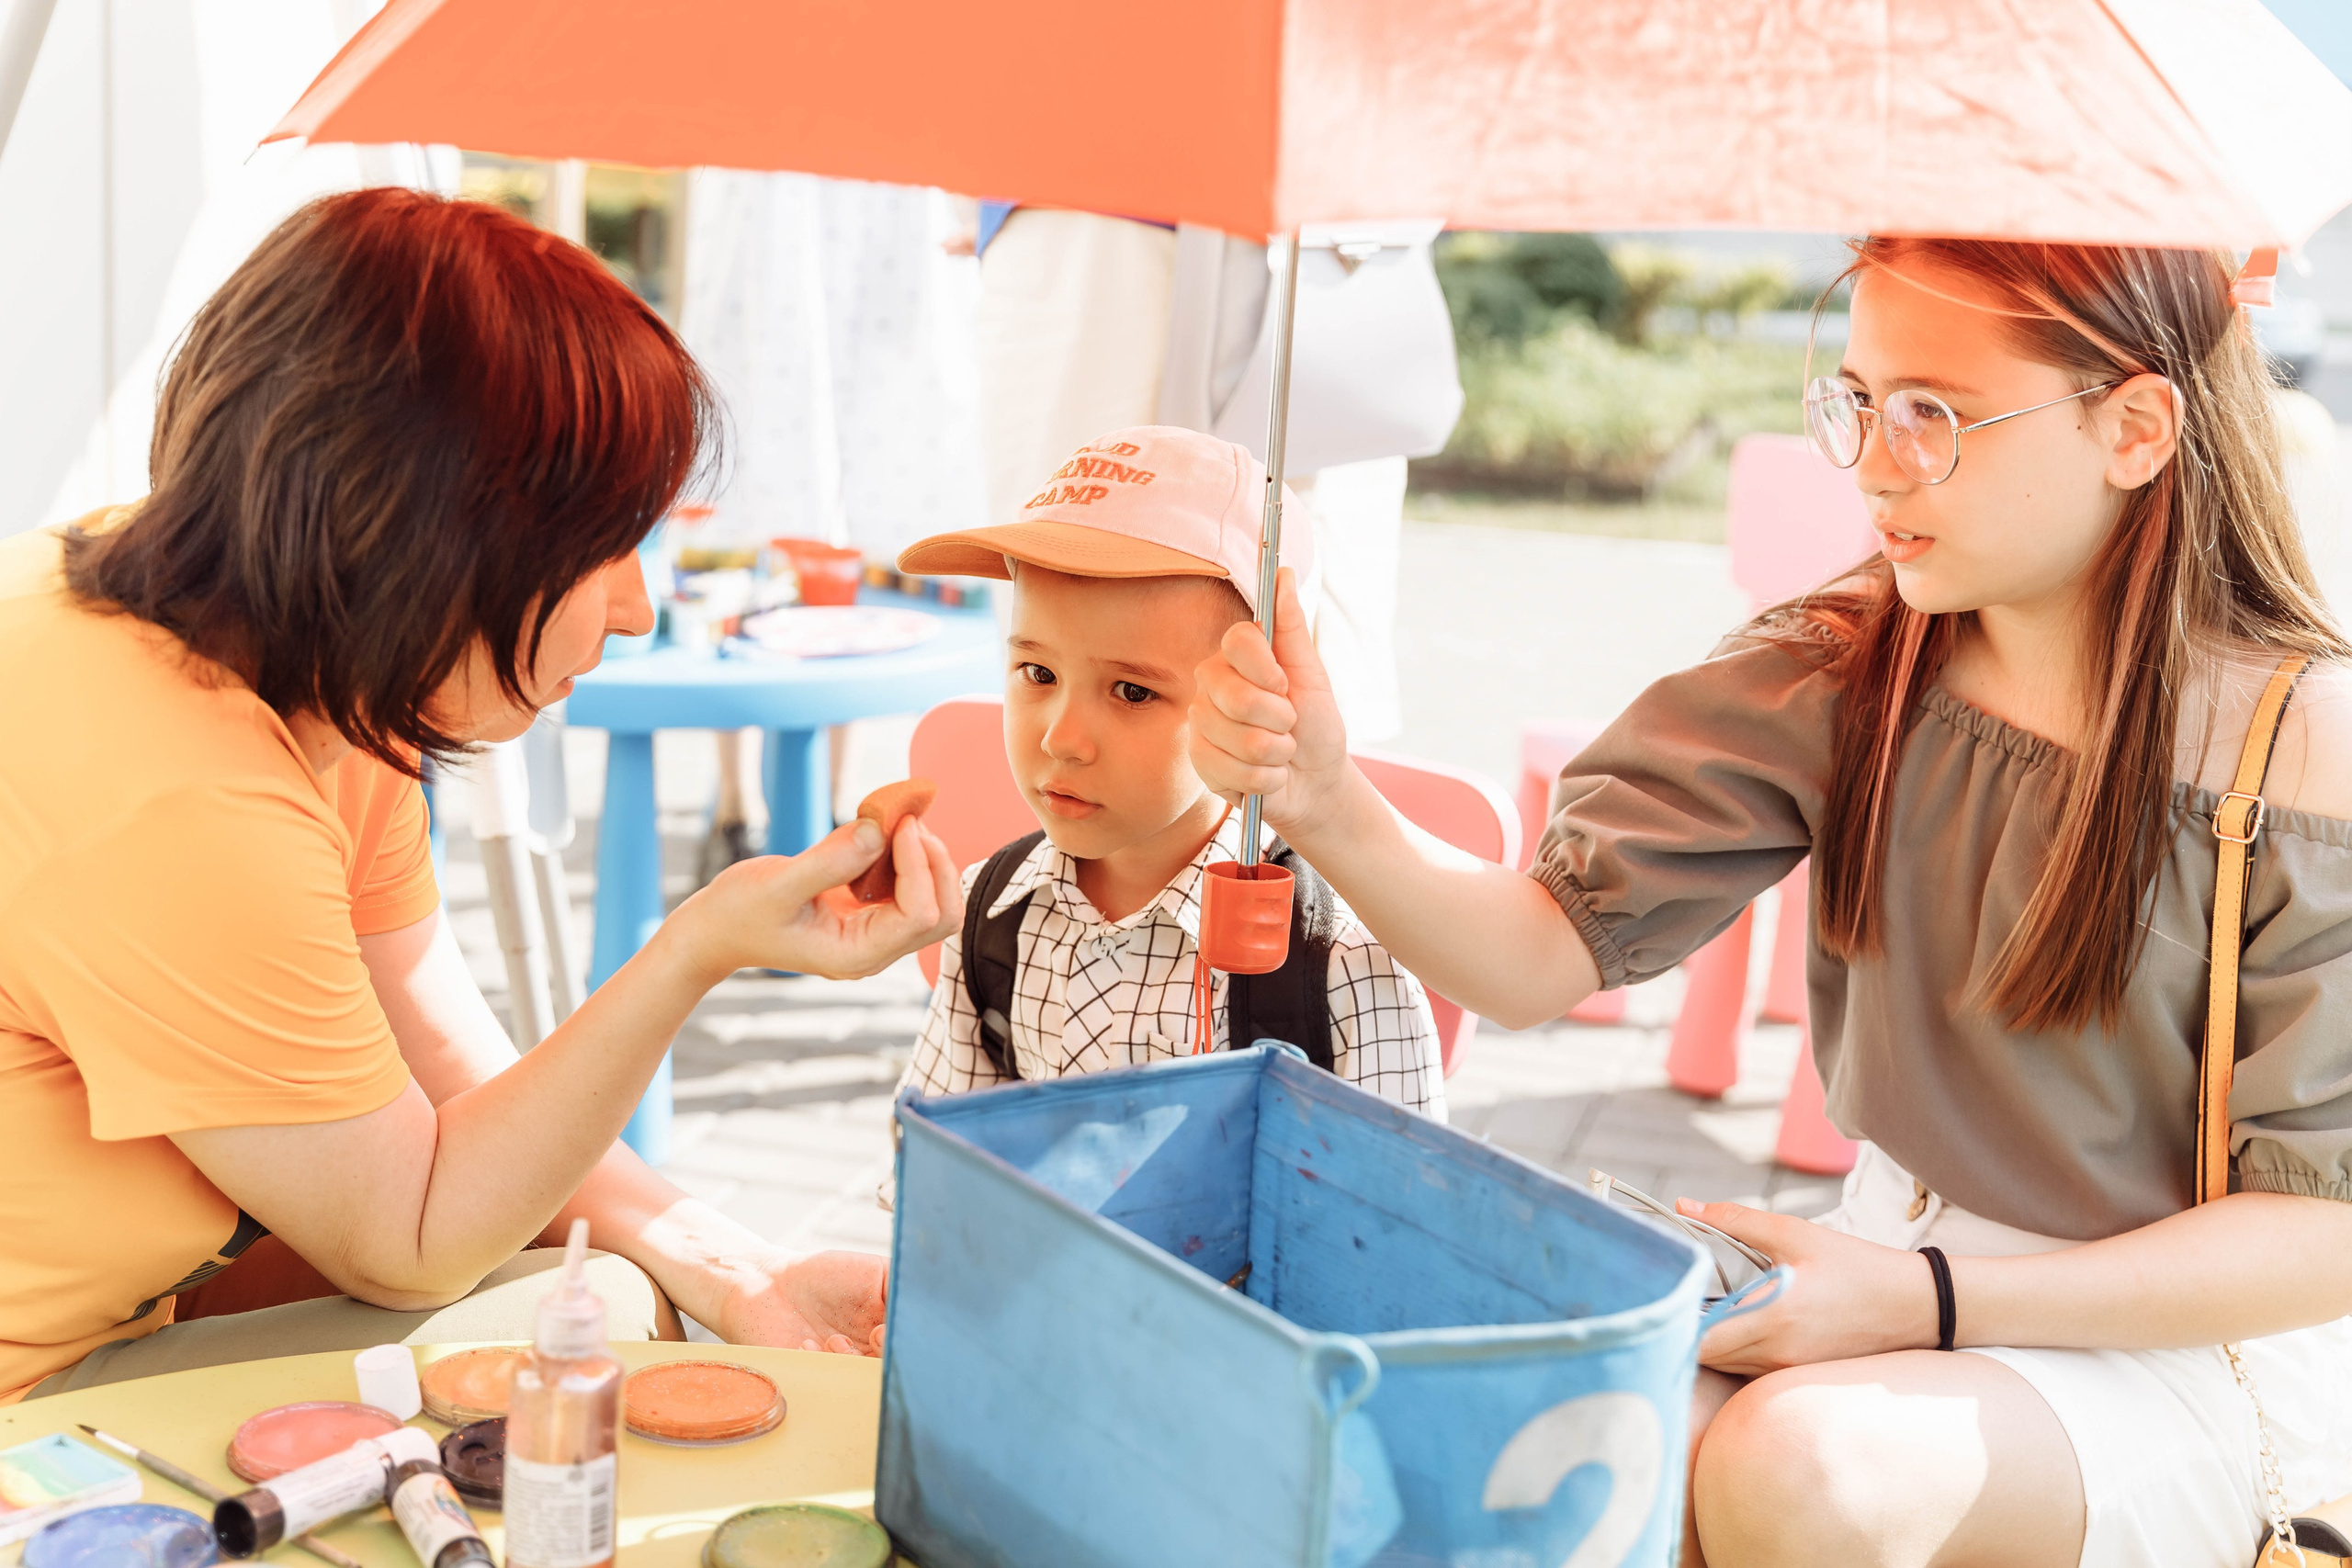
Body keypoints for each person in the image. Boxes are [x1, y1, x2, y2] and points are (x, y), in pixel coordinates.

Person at [1190, 239, 2352, 1567]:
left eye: (1934, 414)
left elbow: (2325, 1235)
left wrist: (1921, 1298)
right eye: (1855, 400)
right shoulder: (1853, 658)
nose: (1872, 460)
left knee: (1797, 1466)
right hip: (1880, 1261)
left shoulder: (2302, 743)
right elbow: (1531, 960)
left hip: (2178, 1352)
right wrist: (1328, 799)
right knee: (1571, 1417)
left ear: (2134, 426)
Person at [0, 187, 960, 1402]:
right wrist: (695, 949)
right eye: (602, 546)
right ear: (429, 527)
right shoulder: (178, 795)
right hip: (34, 1401)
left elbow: (452, 1074)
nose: (636, 608)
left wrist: (741, 1261)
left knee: (600, 1277)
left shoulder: (273, 645)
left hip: (130, 1301)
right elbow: (412, 1229)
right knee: (585, 1327)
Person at [893, 426, 1442, 1114]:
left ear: (1262, 698)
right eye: (1038, 672)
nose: (1063, 739)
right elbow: (940, 1171)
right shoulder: (992, 911)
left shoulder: (1339, 967)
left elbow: (1389, 1216)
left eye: (1132, 691)